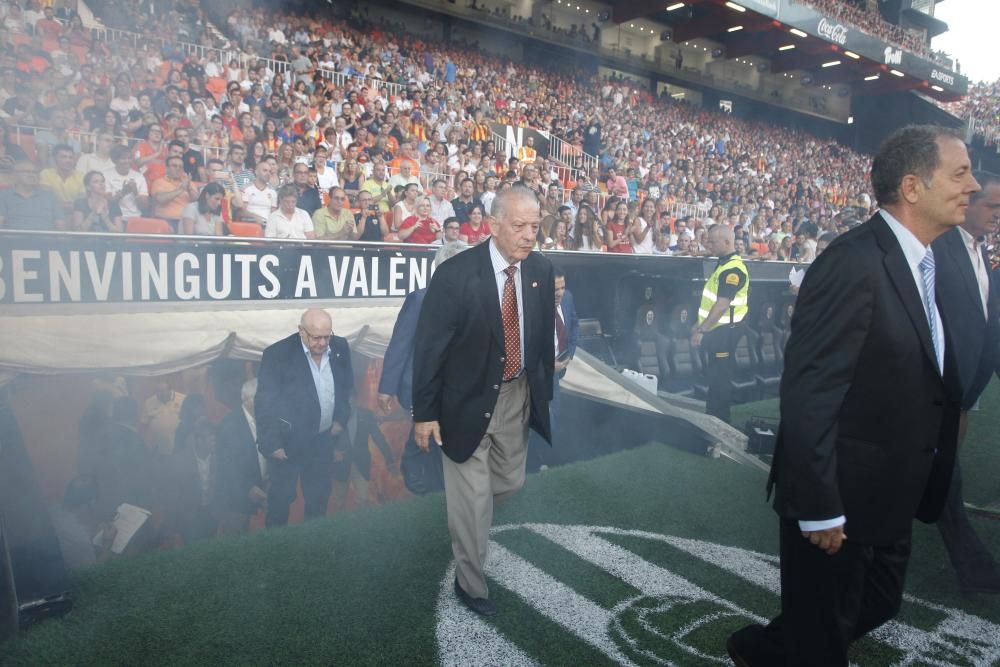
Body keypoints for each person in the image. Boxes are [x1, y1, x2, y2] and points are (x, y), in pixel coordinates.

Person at [727, 125, 971, 667]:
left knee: (874, 605)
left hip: (890, 494)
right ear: (912, 186)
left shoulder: (928, 261)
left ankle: (761, 650)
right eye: (959, 173)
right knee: (823, 640)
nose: (972, 186)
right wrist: (819, 509)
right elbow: (810, 389)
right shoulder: (853, 261)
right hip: (840, 497)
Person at [412, 187, 555, 616]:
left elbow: (540, 339)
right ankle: (471, 585)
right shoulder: (455, 275)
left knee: (509, 483)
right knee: (473, 504)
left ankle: (468, 515)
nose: (530, 235)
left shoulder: (541, 271)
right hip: (465, 402)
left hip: (516, 395)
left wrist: (541, 392)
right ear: (493, 225)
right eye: (520, 226)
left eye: (535, 226)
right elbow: (429, 349)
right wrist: (426, 413)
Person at [932, 169, 1000, 595]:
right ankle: (976, 570)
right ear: (967, 202)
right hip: (935, 392)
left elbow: (986, 327)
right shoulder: (939, 249)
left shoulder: (980, 253)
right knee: (944, 481)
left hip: (961, 392)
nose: (997, 214)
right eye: (991, 206)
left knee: (938, 479)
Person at [378, 242, 467, 495]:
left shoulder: (472, 301)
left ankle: (435, 488)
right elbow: (400, 344)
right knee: (432, 436)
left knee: (441, 441)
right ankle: (415, 465)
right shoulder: (420, 299)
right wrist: (386, 387)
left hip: (454, 388)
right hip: (421, 386)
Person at [255, 309, 353, 526]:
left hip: (321, 441)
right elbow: (264, 403)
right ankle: (275, 549)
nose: (323, 342)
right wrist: (272, 444)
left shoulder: (339, 347)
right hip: (287, 443)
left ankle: (314, 548)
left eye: (327, 336)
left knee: (318, 499)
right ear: (301, 331)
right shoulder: (277, 354)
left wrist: (340, 420)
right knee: (280, 500)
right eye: (316, 337)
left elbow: (346, 388)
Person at [691, 225, 748, 424]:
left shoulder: (732, 268)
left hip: (725, 332)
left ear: (726, 242)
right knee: (715, 375)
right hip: (720, 330)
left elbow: (722, 303)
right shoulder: (724, 264)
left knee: (720, 377)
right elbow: (712, 301)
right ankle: (714, 415)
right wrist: (699, 323)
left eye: (713, 242)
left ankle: (720, 421)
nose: (709, 245)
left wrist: (701, 329)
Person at [216, 378, 267, 535]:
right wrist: (248, 487)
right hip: (236, 498)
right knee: (234, 540)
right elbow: (227, 465)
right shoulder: (230, 424)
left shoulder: (262, 418)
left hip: (260, 490)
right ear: (247, 400)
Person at [0, 161, 65, 230]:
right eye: (27, 172)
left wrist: (62, 239)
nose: (32, 175)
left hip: (45, 239)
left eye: (35, 172)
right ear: (15, 175)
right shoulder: (3, 195)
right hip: (13, 239)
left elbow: (60, 225)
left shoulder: (50, 196)